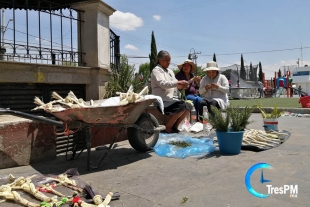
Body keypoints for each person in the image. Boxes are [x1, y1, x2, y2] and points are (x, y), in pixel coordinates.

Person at [151, 50, 191, 133]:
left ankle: (175, 126)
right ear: (160, 60)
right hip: (162, 100)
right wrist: (178, 83)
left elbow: (175, 84)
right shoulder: (156, 70)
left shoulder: (170, 71)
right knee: (181, 106)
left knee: (188, 106)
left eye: (169, 60)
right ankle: (168, 127)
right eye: (166, 60)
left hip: (171, 99)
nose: (168, 62)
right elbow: (163, 84)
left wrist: (183, 85)